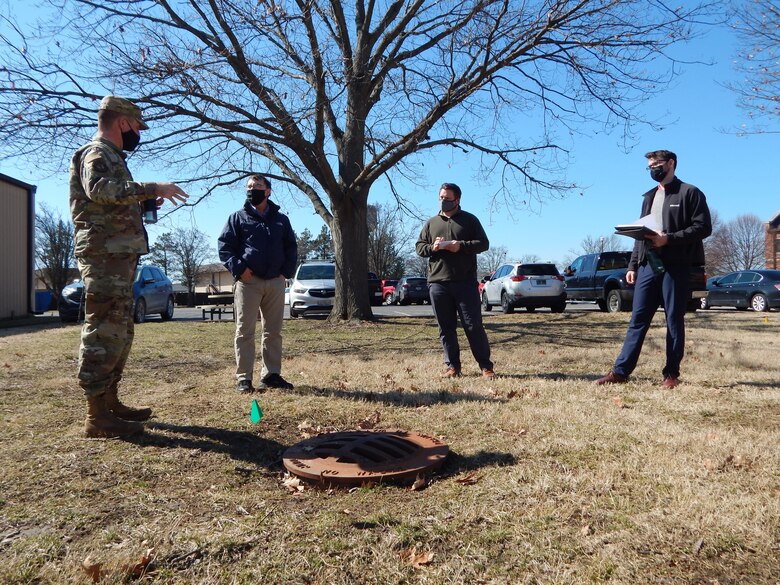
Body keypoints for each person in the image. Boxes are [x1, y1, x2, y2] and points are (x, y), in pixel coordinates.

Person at [70, 95, 189, 438]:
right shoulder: (96, 153)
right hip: (103, 257)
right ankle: (96, 415)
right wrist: (152, 187)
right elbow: (99, 190)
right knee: (103, 329)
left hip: (118, 257)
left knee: (121, 329)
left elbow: (113, 200)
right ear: (122, 122)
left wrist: (144, 201)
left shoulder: (113, 157)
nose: (138, 132)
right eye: (137, 126)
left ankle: (109, 401)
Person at [596, 150, 712, 388]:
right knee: (637, 319)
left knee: (673, 319)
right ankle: (620, 371)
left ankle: (671, 374)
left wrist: (668, 239)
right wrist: (633, 265)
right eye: (649, 166)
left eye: (657, 165)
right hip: (648, 266)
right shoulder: (649, 197)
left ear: (671, 164)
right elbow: (641, 234)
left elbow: (703, 228)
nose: (653, 169)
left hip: (677, 266)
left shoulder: (690, 193)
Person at [218, 175, 298, 393]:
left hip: (275, 282)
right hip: (248, 282)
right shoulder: (237, 218)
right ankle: (244, 378)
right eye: (250, 187)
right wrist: (240, 270)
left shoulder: (281, 220)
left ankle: (271, 375)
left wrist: (285, 273)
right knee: (244, 331)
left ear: (268, 191)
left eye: (258, 187)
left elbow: (291, 247)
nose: (253, 190)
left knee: (273, 332)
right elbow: (225, 247)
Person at [416, 183, 495, 378]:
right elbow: (419, 248)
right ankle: (452, 367)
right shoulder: (431, 223)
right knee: (446, 328)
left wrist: (460, 246)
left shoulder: (469, 220)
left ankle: (486, 367)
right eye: (441, 197)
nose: (443, 201)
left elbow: (483, 244)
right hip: (438, 283)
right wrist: (433, 248)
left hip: (465, 283)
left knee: (473, 325)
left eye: (447, 198)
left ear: (457, 200)